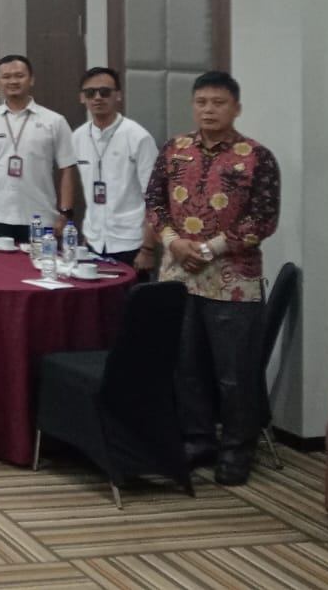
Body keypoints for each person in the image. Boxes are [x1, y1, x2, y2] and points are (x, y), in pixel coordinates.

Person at [146, 71, 280, 486]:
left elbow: (264, 219)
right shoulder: (174, 150)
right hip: (177, 277)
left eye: (218, 102)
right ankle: (197, 439)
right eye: (201, 102)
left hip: (232, 281)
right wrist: (172, 242)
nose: (208, 110)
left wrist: (209, 249)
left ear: (236, 108)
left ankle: (238, 448)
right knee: (185, 366)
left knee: (234, 372)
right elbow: (154, 203)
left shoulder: (256, 156)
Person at [0, 54, 79, 242]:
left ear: (31, 79)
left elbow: (67, 168)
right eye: (6, 77)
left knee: (39, 262)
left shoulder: (54, 121)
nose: (13, 81)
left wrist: (65, 213)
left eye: (19, 75)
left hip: (40, 217)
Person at [73, 67, 159, 272]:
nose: (97, 98)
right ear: (82, 98)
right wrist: (88, 237)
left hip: (131, 243)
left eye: (105, 92)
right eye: (90, 93)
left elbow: (156, 199)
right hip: (94, 241)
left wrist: (148, 249)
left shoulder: (138, 137)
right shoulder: (77, 137)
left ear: (118, 95)